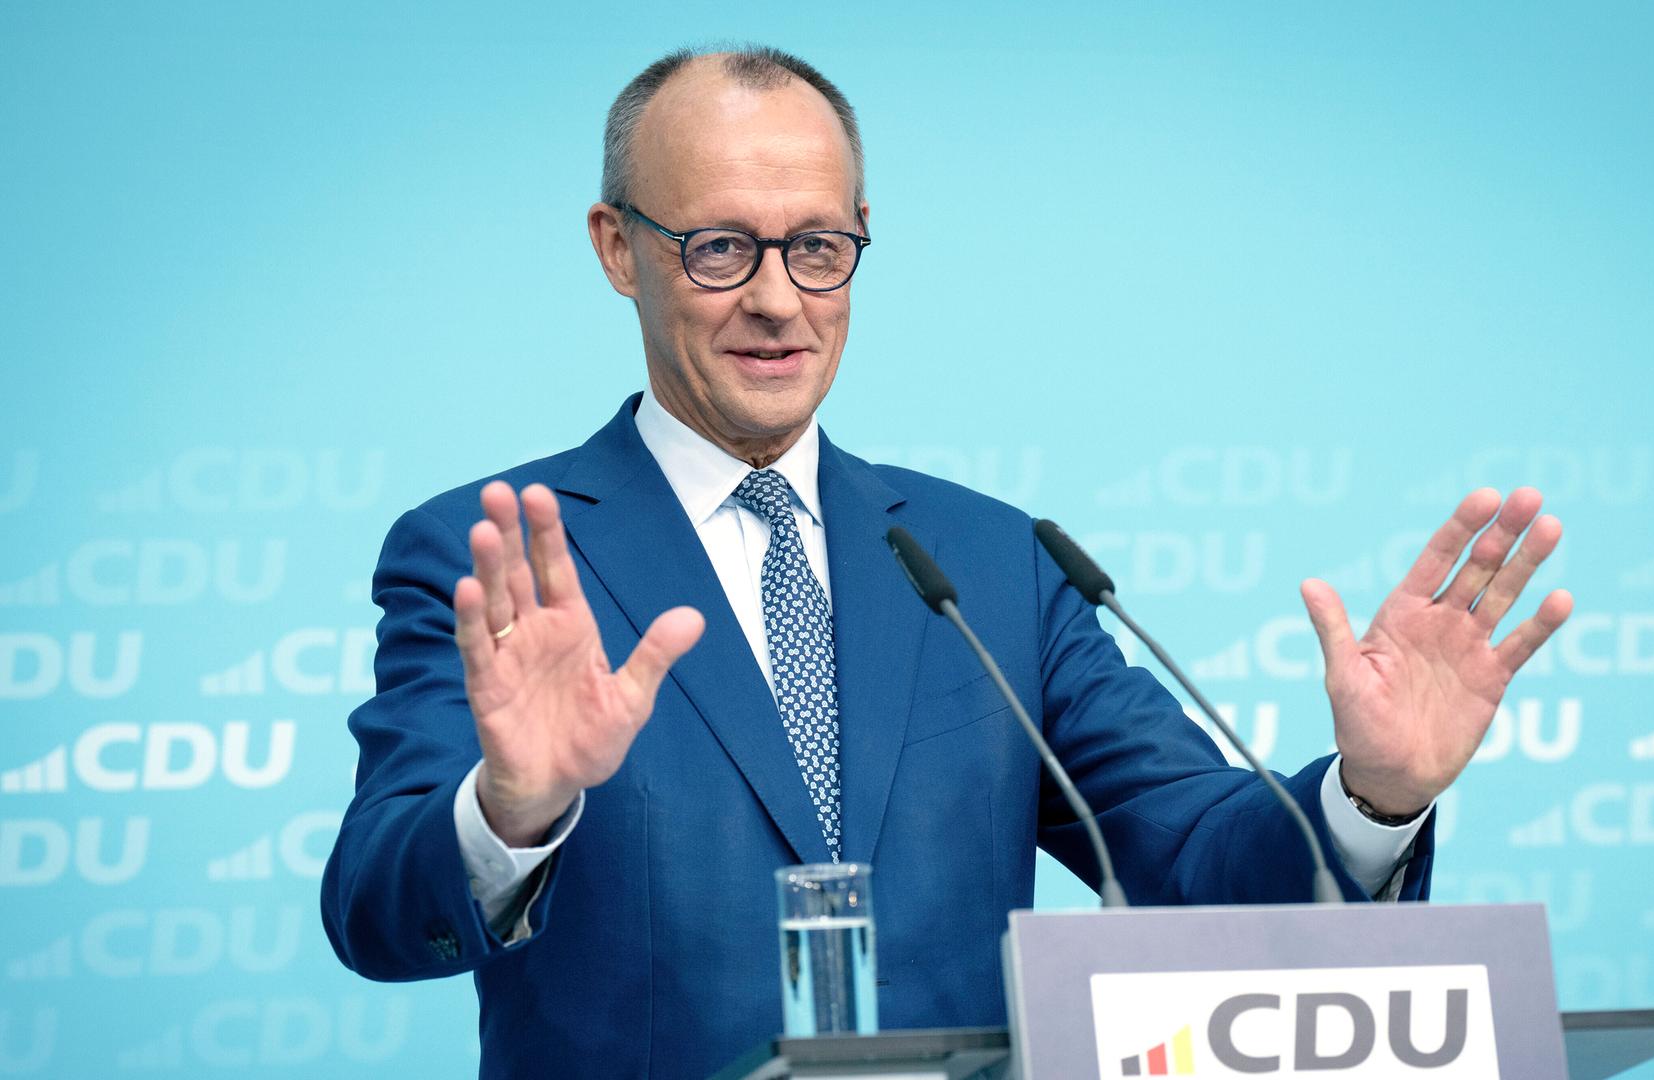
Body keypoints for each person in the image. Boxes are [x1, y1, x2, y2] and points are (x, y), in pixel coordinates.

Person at [320, 46, 1572, 1080]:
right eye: (719, 248)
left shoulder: (981, 562)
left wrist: (1374, 796)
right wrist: (513, 808)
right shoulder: (494, 559)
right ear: (617, 247)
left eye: (817, 246)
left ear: (861, 240)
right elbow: (378, 912)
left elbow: (1192, 862)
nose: (777, 299)